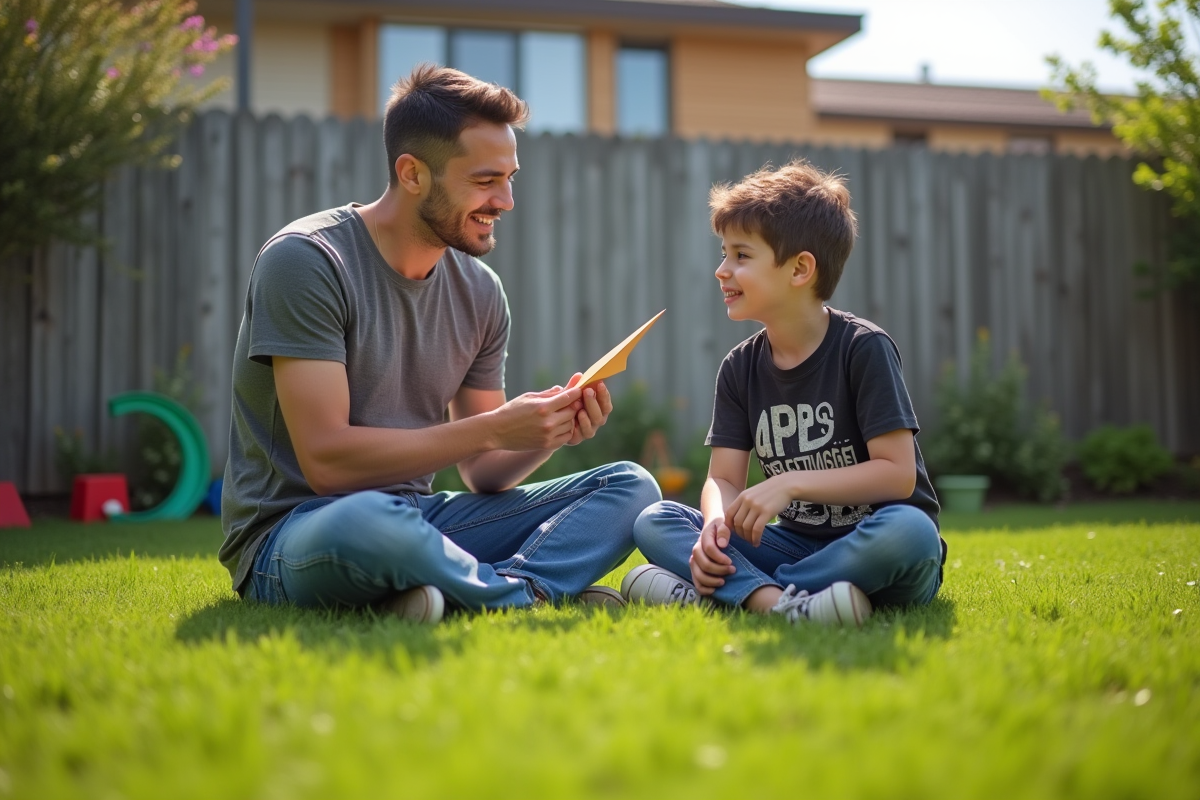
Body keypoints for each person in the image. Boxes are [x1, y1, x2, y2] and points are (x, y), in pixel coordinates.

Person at [219, 65, 661, 623]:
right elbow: (326, 461)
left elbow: (484, 471)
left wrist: (548, 431)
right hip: (296, 531)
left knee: (629, 487)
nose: (505, 201)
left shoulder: (480, 291)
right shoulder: (307, 260)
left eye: (510, 178)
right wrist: (495, 427)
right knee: (373, 522)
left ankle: (459, 590)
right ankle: (526, 592)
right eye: (484, 181)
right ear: (412, 174)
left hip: (419, 519)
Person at [622, 160, 945, 627]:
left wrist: (789, 483)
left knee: (913, 533)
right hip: (793, 541)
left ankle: (731, 593)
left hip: (876, 545)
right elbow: (724, 480)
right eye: (723, 253)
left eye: (741, 256)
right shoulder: (739, 368)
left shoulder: (863, 349)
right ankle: (782, 604)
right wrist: (714, 524)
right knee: (656, 519)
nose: (721, 270)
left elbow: (897, 476)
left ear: (799, 269)